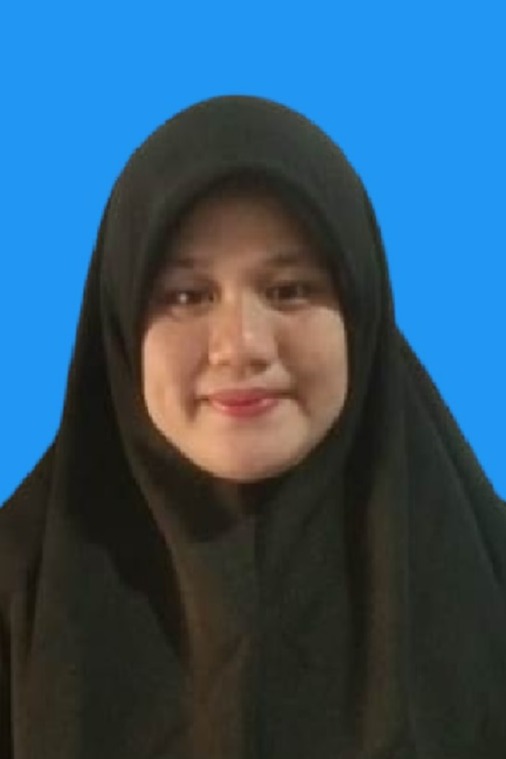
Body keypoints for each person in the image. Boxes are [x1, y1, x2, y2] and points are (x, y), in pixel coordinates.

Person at [0, 95, 505, 759]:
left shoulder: (488, 574)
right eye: (187, 296)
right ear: (120, 329)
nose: (241, 345)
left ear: (362, 313)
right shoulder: (18, 588)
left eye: (289, 290)